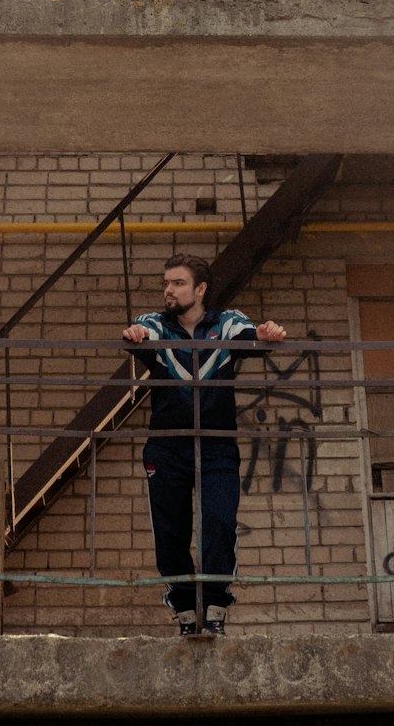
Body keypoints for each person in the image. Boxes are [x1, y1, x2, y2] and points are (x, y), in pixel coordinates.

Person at [122, 253, 286, 636]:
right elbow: (136, 331)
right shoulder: (155, 323)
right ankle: (184, 611)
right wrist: (135, 334)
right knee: (170, 531)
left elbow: (253, 337)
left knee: (219, 522)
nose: (168, 290)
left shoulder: (227, 323)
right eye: (166, 282)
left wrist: (266, 334)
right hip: (166, 447)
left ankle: (214, 607)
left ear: (200, 289)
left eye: (177, 283)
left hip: (217, 446)